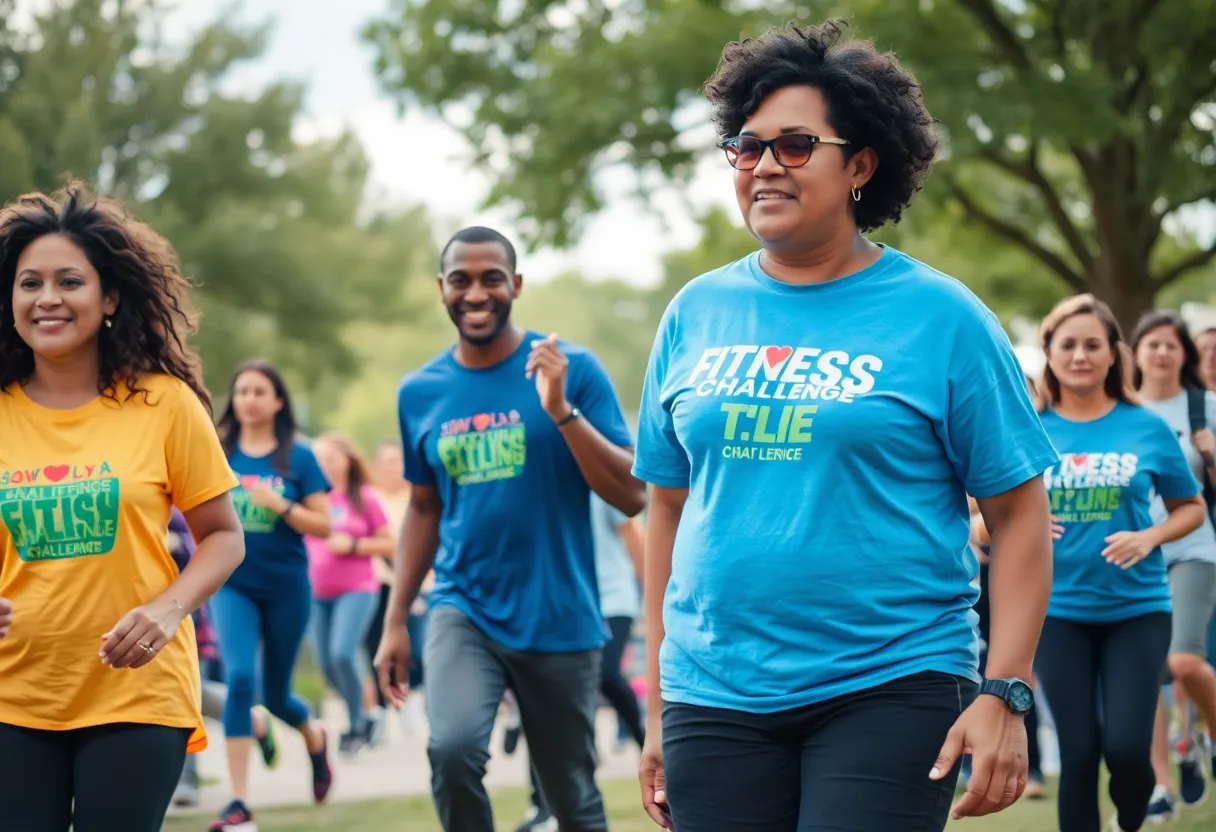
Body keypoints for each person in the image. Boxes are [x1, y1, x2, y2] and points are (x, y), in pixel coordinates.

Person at [633, 21, 1058, 832]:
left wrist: (1005, 691)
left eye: (795, 146)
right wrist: (658, 702)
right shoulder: (695, 312)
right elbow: (665, 507)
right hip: (713, 691)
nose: (763, 165)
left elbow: (1018, 516)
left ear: (862, 164)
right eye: (746, 146)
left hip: (890, 681)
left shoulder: (944, 318)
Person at [374, 225, 645, 832]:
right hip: (462, 605)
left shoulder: (572, 369)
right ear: (441, 290)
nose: (476, 292)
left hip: (559, 615)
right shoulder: (421, 392)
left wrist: (560, 412)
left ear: (515, 285)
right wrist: (394, 621)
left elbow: (631, 494)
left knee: (570, 795)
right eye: (460, 280)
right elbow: (422, 509)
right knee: (451, 750)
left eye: (491, 278)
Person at [0, 183, 245, 831]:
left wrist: (169, 610)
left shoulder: (163, 404)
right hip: (13, 696)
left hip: (138, 693)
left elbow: (223, 535)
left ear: (109, 297)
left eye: (69, 281)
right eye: (29, 284)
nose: (47, 298)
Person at [1033, 294, 1206, 832]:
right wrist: (1021, 529)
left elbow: (1192, 507)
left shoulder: (1147, 427)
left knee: (1128, 751)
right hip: (1055, 611)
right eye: (1069, 345)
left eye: (1093, 345)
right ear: (1050, 354)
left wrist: (1151, 535)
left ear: (1114, 355)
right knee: (1079, 754)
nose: (1080, 355)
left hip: (1137, 609)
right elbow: (976, 517)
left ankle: (1131, 820)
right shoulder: (1026, 427)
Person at [209, 359, 334, 831]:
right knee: (241, 680)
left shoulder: (298, 457)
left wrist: (281, 504)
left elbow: (324, 525)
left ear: (278, 401)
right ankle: (239, 803)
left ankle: (314, 738)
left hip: (285, 587)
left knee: (278, 696)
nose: (249, 399)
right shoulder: (217, 450)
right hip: (232, 584)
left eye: (260, 391)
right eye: (242, 391)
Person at [515, 493, 649, 832]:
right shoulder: (541, 486)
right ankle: (543, 805)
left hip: (613, 599)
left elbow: (635, 538)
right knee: (547, 697)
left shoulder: (600, 486)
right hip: (566, 604)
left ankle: (644, 740)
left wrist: (655, 600)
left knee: (604, 675)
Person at [1130, 309, 1216, 816]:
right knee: (1144, 673)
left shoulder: (1205, 408)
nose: (1162, 352)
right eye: (1152, 343)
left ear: (1184, 354)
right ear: (1136, 351)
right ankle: (1160, 786)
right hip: (1135, 551)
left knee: (1183, 660)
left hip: (1195, 547)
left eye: (1171, 345)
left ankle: (1207, 731)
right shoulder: (1121, 409)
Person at [307, 431, 395, 755]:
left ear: (347, 461)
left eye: (329, 458)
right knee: (327, 665)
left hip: (357, 589)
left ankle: (358, 723)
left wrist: (354, 545)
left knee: (343, 653)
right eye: (317, 460)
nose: (323, 465)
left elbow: (391, 543)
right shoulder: (312, 497)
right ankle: (364, 714)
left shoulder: (365, 498)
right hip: (316, 593)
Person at [367, 440, 430, 736]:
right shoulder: (372, 498)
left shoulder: (414, 497)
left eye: (397, 461)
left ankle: (412, 703)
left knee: (416, 646)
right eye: (386, 461)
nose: (391, 467)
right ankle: (380, 712)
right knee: (376, 646)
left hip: (419, 583)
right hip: (380, 582)